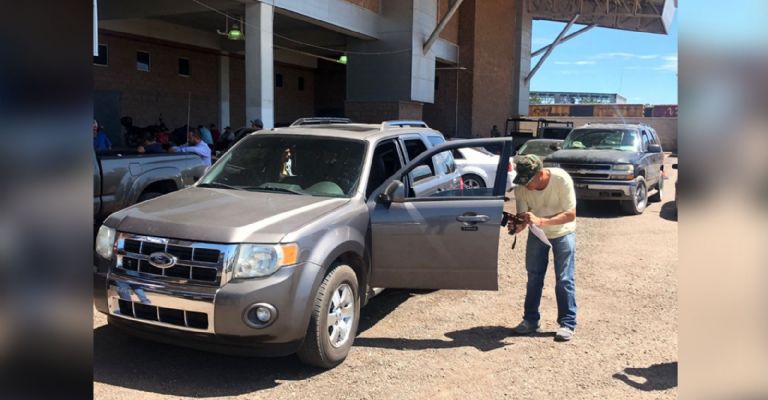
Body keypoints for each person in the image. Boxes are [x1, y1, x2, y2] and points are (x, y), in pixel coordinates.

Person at [509, 154, 577, 342]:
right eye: (521, 181)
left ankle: (567, 323)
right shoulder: (521, 188)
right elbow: (523, 217)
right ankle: (531, 320)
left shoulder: (561, 179)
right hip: (538, 233)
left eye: (528, 180)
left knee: (564, 279)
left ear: (540, 173)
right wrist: (518, 226)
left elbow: (571, 214)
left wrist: (541, 221)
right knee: (533, 277)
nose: (525, 186)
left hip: (563, 232)